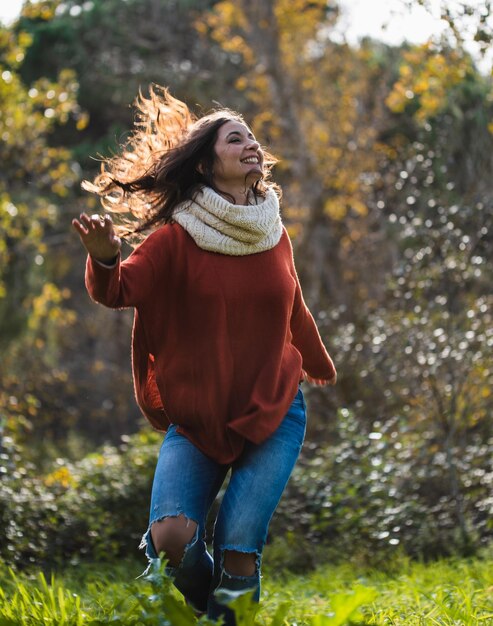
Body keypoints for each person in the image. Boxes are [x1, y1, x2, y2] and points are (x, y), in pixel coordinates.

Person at [72, 86, 336, 624]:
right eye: (235, 138)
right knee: (171, 538)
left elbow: (293, 307)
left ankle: (229, 611)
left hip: (274, 410)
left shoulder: (272, 230)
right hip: (198, 417)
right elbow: (119, 290)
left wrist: (318, 363)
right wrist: (103, 260)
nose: (251, 145)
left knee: (240, 545)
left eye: (253, 138)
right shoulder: (175, 238)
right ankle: (212, 608)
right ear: (205, 162)